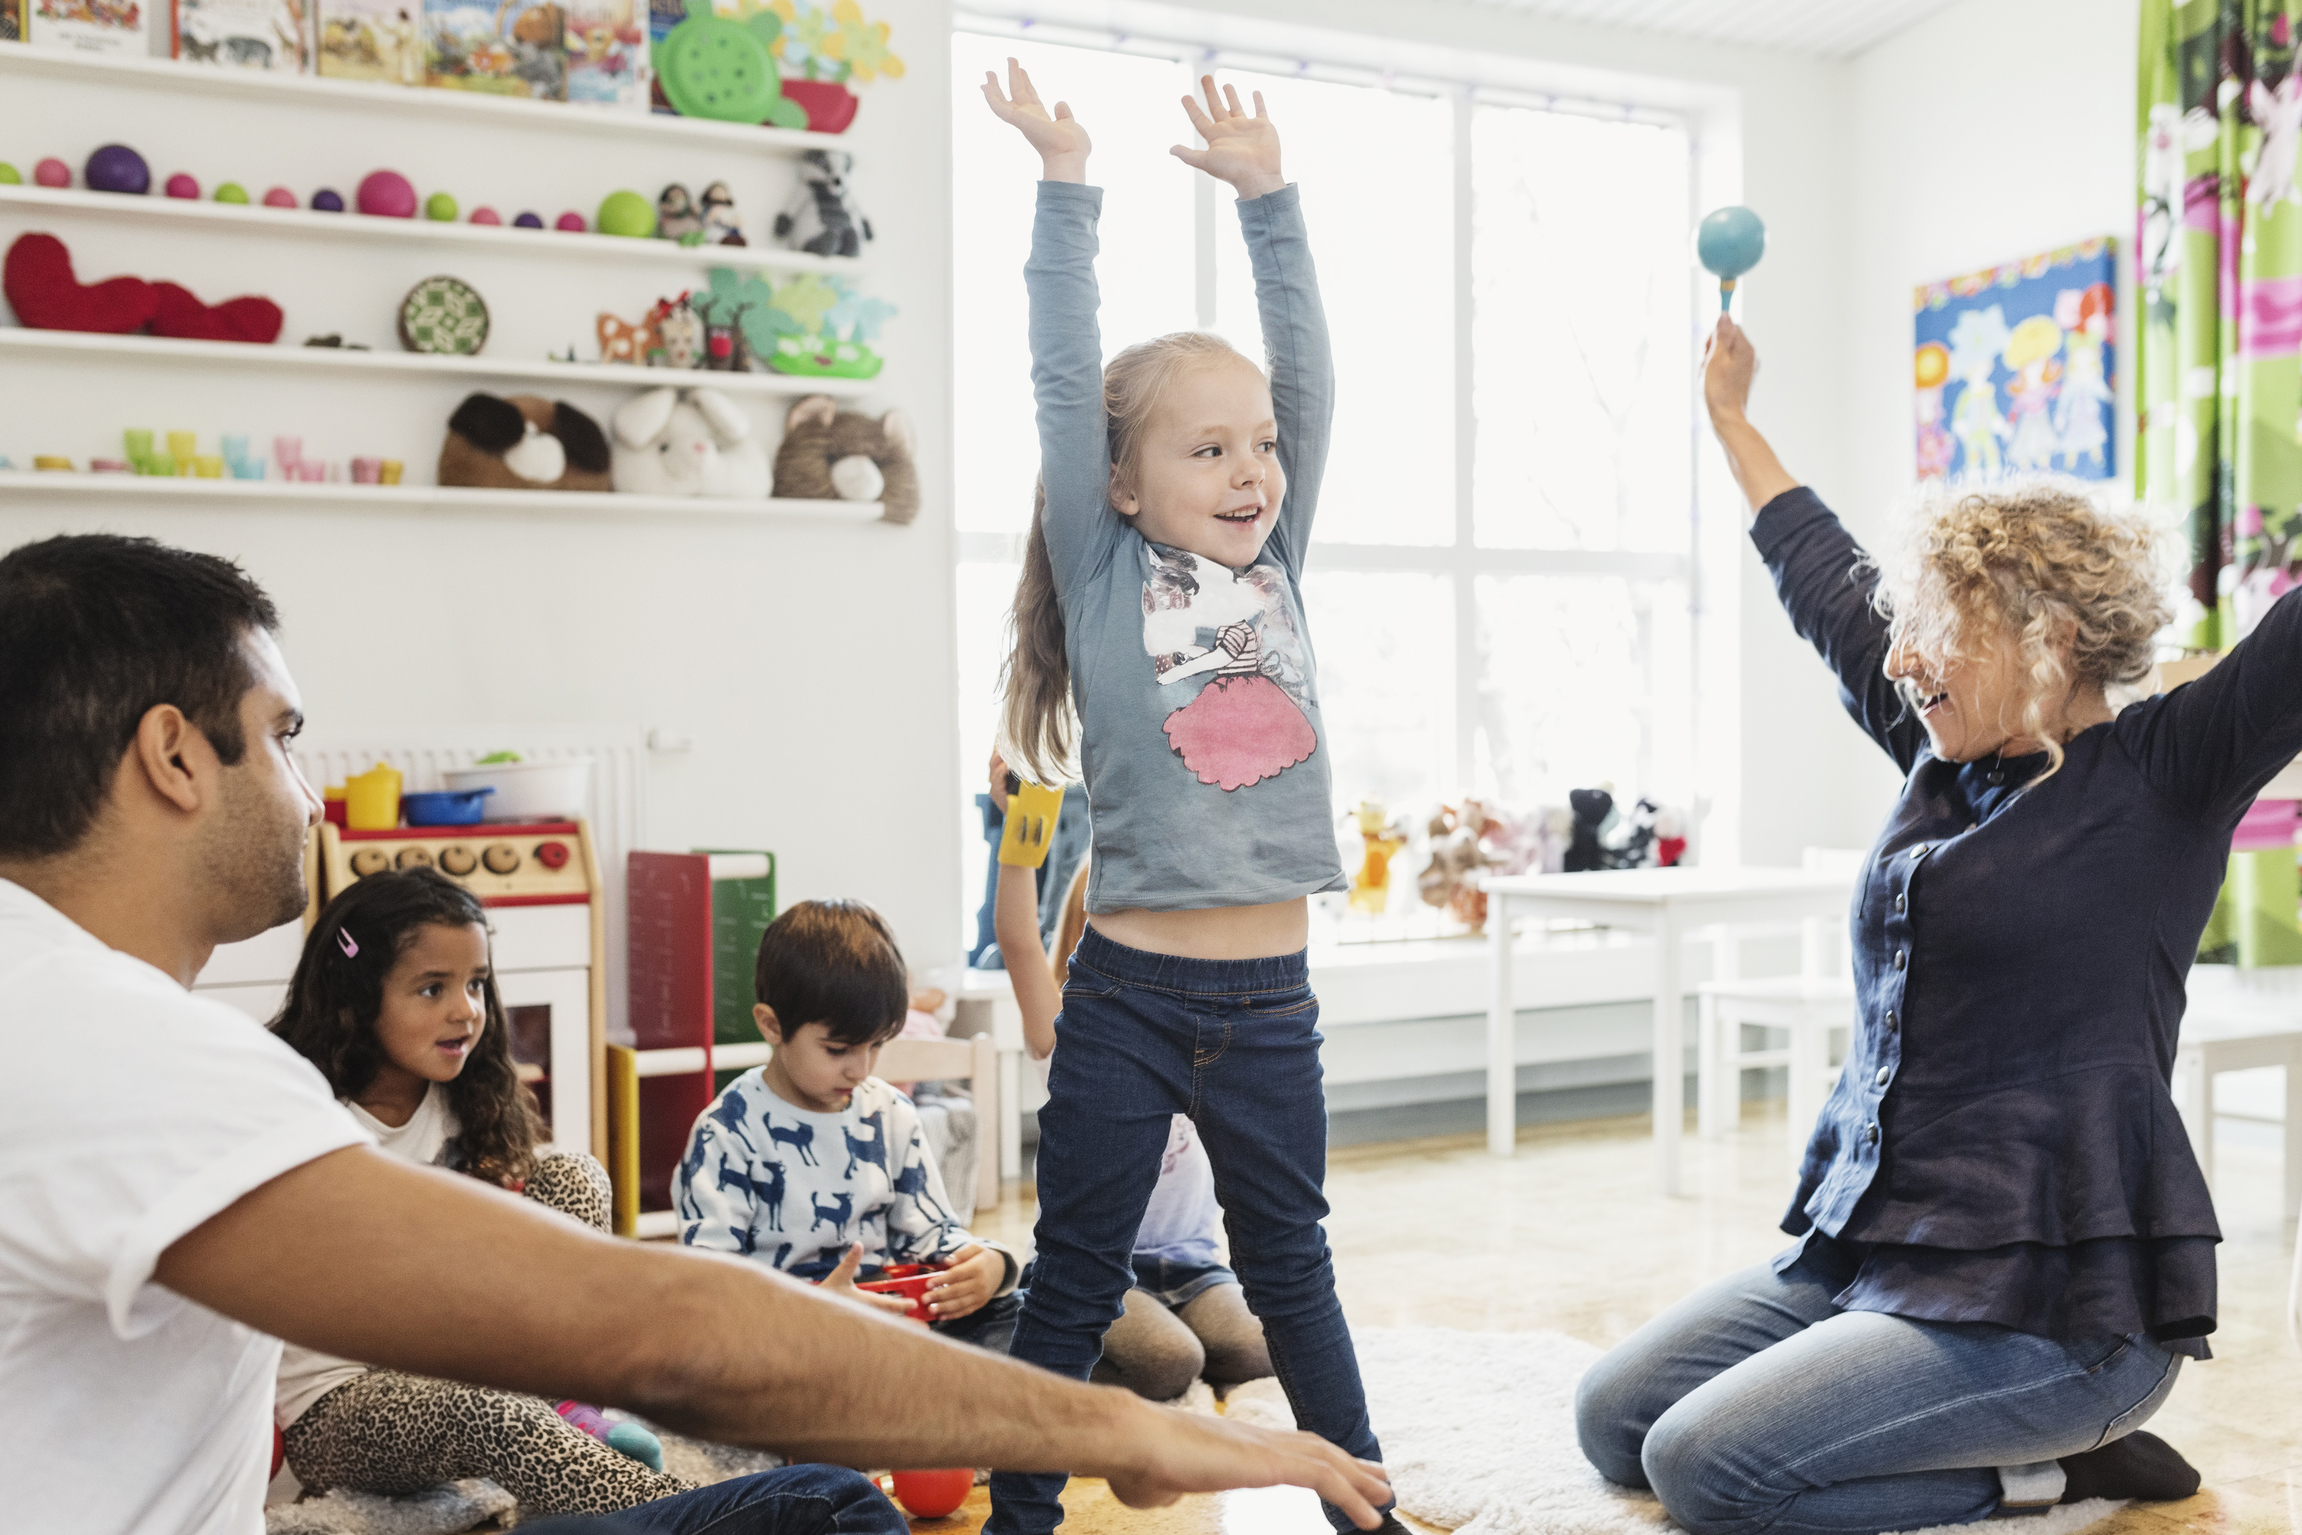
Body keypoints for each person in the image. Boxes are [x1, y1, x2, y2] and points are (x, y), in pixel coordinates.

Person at [0, 531, 1395, 1535]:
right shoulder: (109, 1046)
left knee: (812, 1501)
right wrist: (1133, 1426)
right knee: (827, 1513)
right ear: (176, 755)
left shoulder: (59, 1001)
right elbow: (668, 1332)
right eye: (284, 735)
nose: (306, 789)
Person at [1571, 314, 2299, 1529]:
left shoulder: (2165, 774)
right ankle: (1980, 1434)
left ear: (2047, 639)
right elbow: (1819, 575)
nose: (1902, 656)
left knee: (1708, 1469)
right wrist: (1733, 420)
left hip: (2060, 1308)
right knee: (1616, 1420)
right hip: (1880, 1256)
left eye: (1934, 627)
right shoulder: (1938, 752)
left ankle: (2047, 1464)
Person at [979, 63, 1398, 1535]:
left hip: (1272, 1003)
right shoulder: (1107, 582)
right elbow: (1058, 364)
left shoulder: (1276, 569)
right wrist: (1064, 183)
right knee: (1075, 1268)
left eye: (1259, 444)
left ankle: (1364, 1504)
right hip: (1128, 999)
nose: (1249, 468)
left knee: (1293, 1269)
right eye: (1205, 447)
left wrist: (1270, 201)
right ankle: (1019, 1512)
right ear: (1122, 483)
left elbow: (1313, 380)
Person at [269, 866, 711, 1512]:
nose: (466, 1010)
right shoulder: (310, 1120)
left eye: (476, 983)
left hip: (456, 1353)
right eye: (431, 989)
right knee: (491, 1412)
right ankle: (694, 1516)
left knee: (571, 1175)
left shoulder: (458, 1097)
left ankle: (564, 1408)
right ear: (356, 1002)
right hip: (342, 1403)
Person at [988, 754, 1273, 1402]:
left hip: (1193, 1265)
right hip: (1099, 1269)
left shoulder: (1199, 1025)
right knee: (1171, 1361)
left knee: (1252, 1348)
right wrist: (1022, 827)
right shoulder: (1067, 1036)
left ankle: (1144, 1341)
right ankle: (1043, 1350)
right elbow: (1017, 941)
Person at [672, 899, 1022, 1354]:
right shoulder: (725, 1133)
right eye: (838, 1050)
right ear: (772, 1025)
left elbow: (932, 1234)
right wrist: (816, 1312)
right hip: (785, 1334)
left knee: (1016, 1310)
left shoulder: (891, 1113)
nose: (860, 1070)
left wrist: (988, 1266)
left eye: (875, 1046)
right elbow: (707, 1289)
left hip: (888, 1319)